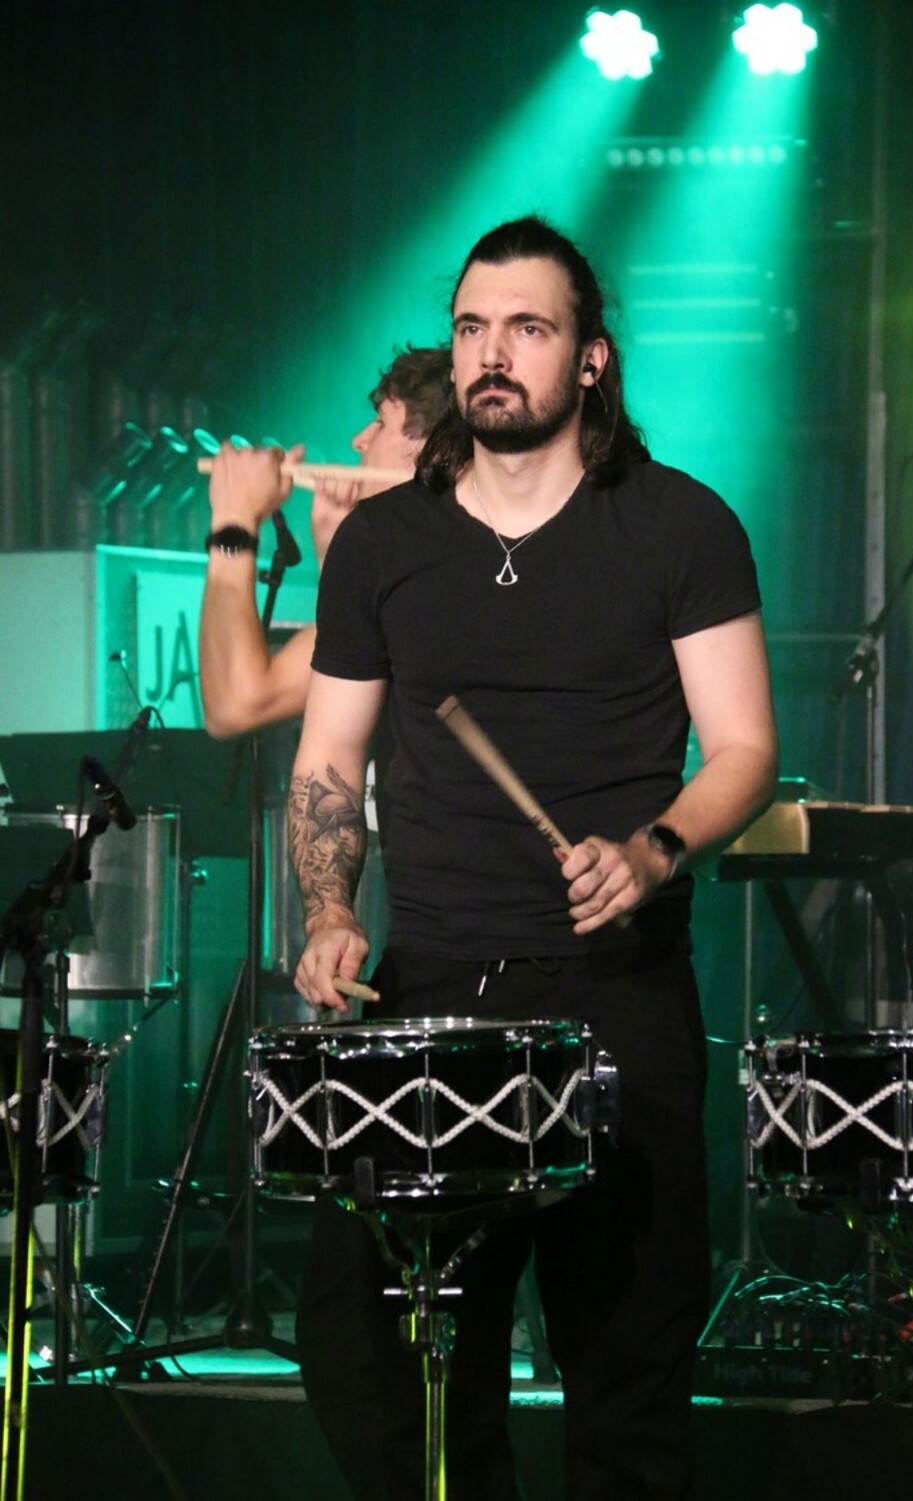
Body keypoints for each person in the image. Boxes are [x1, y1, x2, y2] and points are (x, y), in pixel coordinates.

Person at [290, 216, 778, 1500]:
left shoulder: (679, 526)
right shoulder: (385, 545)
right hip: (433, 990)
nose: (490, 353)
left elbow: (742, 749)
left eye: (526, 327)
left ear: (591, 357)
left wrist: (654, 849)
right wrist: (330, 905)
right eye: (470, 328)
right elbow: (329, 761)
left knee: (625, 1379)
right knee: (373, 1353)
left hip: (615, 993)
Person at [198, 345, 453, 738]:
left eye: (380, 423)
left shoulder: (420, 589)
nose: (358, 440)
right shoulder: (447, 567)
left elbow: (235, 705)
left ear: (430, 452)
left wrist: (233, 521)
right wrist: (335, 559)